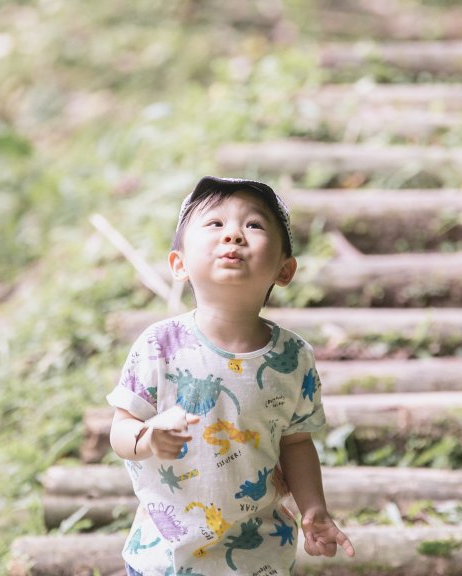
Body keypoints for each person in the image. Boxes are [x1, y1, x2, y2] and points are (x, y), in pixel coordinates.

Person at [106, 176, 356, 575]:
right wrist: (148, 435)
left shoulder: (293, 358)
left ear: (284, 269)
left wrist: (314, 509)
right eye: (215, 224)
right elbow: (120, 430)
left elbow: (296, 443)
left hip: (258, 557)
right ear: (179, 263)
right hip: (164, 556)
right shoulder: (159, 345)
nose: (234, 235)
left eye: (254, 225)